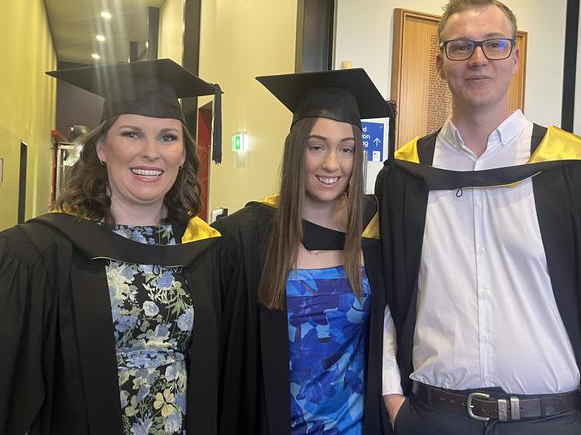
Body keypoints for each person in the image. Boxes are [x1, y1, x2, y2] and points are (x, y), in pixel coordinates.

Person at [378, 0, 581, 435]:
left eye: (494, 43)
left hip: (552, 421)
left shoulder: (578, 170)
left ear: (515, 56)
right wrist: (395, 399)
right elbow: (389, 295)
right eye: (460, 46)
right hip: (432, 418)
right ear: (440, 61)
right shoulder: (406, 177)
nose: (478, 59)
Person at [0, 59, 236, 434]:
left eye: (167, 137)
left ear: (182, 154)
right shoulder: (41, 252)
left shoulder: (206, 249)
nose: (151, 152)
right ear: (101, 148)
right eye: (131, 134)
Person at [214, 69, 391, 434]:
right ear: (295, 149)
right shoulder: (247, 237)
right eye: (317, 146)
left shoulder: (376, 231)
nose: (332, 164)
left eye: (347, 149)